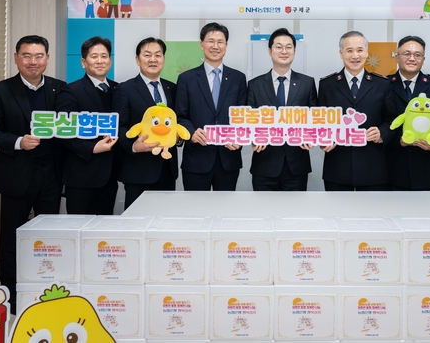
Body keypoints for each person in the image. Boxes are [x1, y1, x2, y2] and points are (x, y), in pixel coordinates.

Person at [0, 35, 65, 311]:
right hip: (16, 174)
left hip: (51, 174)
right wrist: (18, 141)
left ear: (47, 59)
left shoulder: (59, 88)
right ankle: (12, 296)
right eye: (27, 56)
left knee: (47, 237)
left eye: (39, 56)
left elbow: (69, 126)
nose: (33, 61)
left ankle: (44, 289)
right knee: (12, 235)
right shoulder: (0, 90)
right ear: (16, 58)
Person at [318, 31, 395, 191]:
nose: (355, 55)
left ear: (367, 52)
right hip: (337, 168)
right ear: (341, 53)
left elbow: (392, 119)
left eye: (360, 50)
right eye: (349, 50)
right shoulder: (327, 84)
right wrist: (323, 140)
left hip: (373, 168)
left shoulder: (382, 84)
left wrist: (381, 133)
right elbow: (319, 121)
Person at [175, 22, 247, 190]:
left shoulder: (238, 78)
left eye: (220, 42)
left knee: (226, 205)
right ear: (202, 45)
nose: (215, 46)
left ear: (226, 46)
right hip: (196, 159)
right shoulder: (186, 79)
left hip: (228, 159)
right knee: (195, 206)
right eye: (210, 41)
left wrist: (238, 137)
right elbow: (180, 116)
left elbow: (244, 116)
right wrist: (191, 133)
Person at [247, 28, 318, 190]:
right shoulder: (255, 85)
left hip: (296, 165)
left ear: (294, 51)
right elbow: (248, 120)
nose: (284, 51)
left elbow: (314, 117)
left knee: (295, 207)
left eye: (288, 47)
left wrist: (311, 136)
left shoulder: (307, 83)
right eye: (278, 47)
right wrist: (253, 138)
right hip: (264, 164)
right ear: (270, 51)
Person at [112, 37, 179, 209]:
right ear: (137, 59)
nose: (153, 59)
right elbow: (119, 127)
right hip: (138, 171)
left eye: (158, 55)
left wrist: (178, 138)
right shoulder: (125, 89)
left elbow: (176, 123)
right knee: (137, 219)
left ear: (163, 59)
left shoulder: (172, 88)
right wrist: (134, 146)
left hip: (167, 170)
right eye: (147, 55)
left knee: (165, 219)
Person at [55, 36, 118, 215]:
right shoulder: (71, 91)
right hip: (82, 176)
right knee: (79, 227)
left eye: (104, 56)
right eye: (94, 56)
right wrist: (92, 148)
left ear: (110, 61)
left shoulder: (118, 89)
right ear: (84, 62)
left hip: (110, 175)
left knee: (104, 227)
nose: (100, 61)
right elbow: (61, 131)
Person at [386, 35, 430, 193]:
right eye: (407, 54)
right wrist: (398, 141)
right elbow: (381, 121)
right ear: (397, 57)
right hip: (392, 169)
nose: (412, 58)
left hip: (426, 170)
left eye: (417, 55)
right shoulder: (384, 85)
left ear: (423, 59)